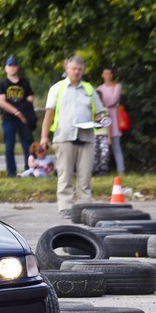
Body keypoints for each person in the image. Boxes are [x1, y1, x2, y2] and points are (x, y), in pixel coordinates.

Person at [40, 55, 106, 218]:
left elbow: (98, 113)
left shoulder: (89, 89)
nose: (77, 72)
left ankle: (85, 206)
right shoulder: (58, 88)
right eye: (73, 69)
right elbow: (49, 113)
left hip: (87, 136)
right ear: (66, 69)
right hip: (64, 136)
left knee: (85, 175)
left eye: (79, 69)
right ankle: (65, 207)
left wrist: (101, 121)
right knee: (65, 173)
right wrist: (44, 136)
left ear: (82, 71)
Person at [0, 56, 36, 177]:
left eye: (14, 65)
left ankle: (29, 169)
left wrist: (23, 111)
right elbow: (2, 102)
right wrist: (16, 112)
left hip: (23, 119)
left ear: (17, 67)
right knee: (9, 145)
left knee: (27, 144)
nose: (12, 68)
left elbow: (30, 98)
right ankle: (11, 172)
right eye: (10, 65)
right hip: (9, 118)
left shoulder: (24, 82)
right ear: (6, 68)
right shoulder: (3, 84)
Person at [96, 66, 125, 174]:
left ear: (112, 75)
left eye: (109, 73)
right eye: (105, 73)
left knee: (116, 145)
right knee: (101, 147)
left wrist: (104, 104)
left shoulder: (117, 86)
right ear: (102, 75)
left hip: (114, 116)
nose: (107, 76)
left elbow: (113, 99)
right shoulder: (99, 88)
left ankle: (121, 170)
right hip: (103, 118)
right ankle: (102, 169)